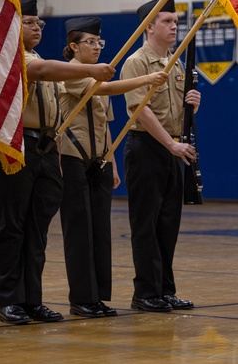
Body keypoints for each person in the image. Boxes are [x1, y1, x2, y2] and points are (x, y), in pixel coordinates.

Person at [0, 0, 116, 325]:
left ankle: (32, 300)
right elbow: (42, 71)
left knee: (37, 231)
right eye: (29, 22)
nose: (36, 28)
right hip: (17, 148)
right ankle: (9, 301)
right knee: (12, 227)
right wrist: (91, 69)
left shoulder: (40, 59)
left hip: (45, 150)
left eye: (39, 23)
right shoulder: (15, 57)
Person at [59, 16, 167, 318]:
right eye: (90, 42)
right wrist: (145, 79)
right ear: (73, 46)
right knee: (79, 230)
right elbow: (101, 91)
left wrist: (113, 163)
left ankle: (97, 296)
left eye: (99, 42)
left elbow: (106, 124)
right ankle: (81, 298)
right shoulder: (69, 73)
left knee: (99, 230)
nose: (96, 47)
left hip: (100, 161)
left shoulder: (101, 75)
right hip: (73, 157)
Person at [120, 0, 200, 312]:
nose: (174, 26)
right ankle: (145, 292)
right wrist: (171, 144)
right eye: (167, 21)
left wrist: (192, 104)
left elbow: (172, 110)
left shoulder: (175, 62)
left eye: (176, 21)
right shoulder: (137, 62)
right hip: (147, 148)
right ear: (149, 26)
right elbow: (141, 112)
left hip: (172, 148)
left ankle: (165, 290)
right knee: (146, 223)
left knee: (168, 224)